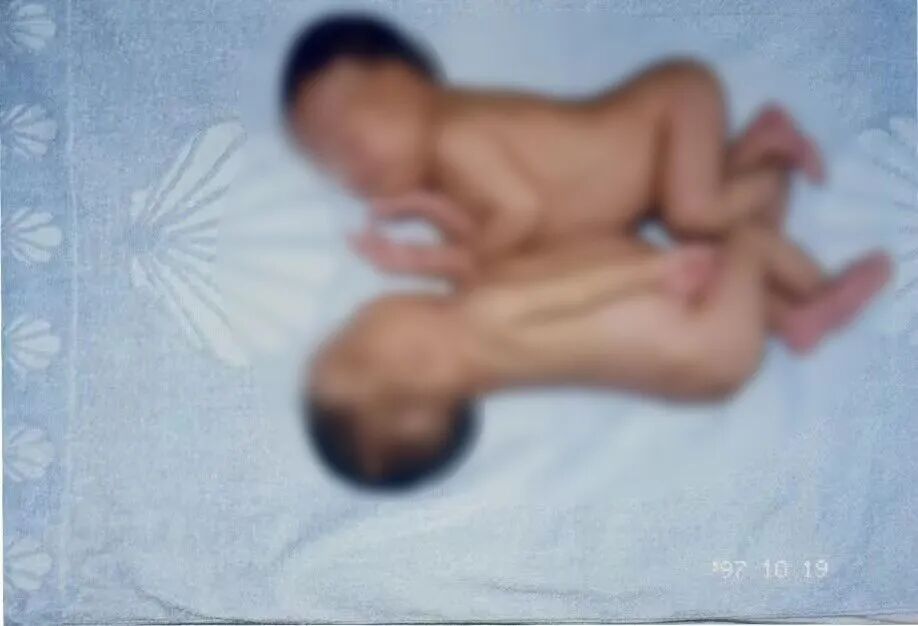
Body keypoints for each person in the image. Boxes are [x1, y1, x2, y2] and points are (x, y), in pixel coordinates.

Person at [304, 228, 890, 490]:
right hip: (706, 338)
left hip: (703, 364)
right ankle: (815, 307)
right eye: (355, 340)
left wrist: (412, 258)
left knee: (736, 282)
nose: (358, 315)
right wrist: (654, 270)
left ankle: (779, 316)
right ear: (420, 362)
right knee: (748, 240)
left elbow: (495, 269)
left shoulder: (492, 370)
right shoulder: (484, 315)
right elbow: (570, 293)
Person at [281, 14, 824, 282]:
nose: (347, 166)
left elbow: (522, 213)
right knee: (712, 240)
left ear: (404, 79)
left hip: (670, 106)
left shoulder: (455, 133)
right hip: (657, 172)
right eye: (327, 164)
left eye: (347, 135)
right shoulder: (447, 185)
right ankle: (753, 151)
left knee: (693, 214)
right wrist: (426, 219)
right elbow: (515, 258)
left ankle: (770, 164)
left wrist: (433, 260)